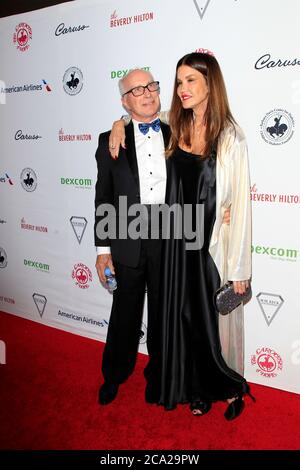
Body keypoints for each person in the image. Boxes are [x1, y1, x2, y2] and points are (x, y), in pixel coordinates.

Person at [109, 52, 253, 420]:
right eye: (178, 81)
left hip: (209, 247)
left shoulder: (231, 136)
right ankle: (194, 389)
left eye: (191, 80)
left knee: (213, 321)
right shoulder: (176, 123)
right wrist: (118, 123)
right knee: (183, 319)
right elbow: (139, 116)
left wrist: (239, 268)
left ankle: (229, 387)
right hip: (176, 244)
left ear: (210, 84)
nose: (182, 88)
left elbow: (241, 207)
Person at [94, 68, 171, 405]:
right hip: (127, 235)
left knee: (163, 312)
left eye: (151, 85)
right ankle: (114, 374)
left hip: (172, 232)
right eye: (138, 90)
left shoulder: (178, 131)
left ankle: (159, 374)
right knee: (125, 311)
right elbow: (103, 197)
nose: (148, 93)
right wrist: (102, 249)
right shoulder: (109, 139)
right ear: (125, 101)